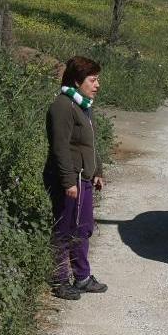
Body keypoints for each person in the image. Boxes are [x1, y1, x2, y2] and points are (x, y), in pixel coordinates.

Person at [44, 55, 108, 300]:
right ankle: (60, 280)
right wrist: (68, 181)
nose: (97, 85)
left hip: (83, 179)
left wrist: (98, 171)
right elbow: (60, 148)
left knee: (82, 228)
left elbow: (88, 144)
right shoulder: (63, 106)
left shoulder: (82, 105)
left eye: (97, 80)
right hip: (68, 180)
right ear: (77, 81)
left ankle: (81, 277)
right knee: (64, 229)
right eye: (93, 80)